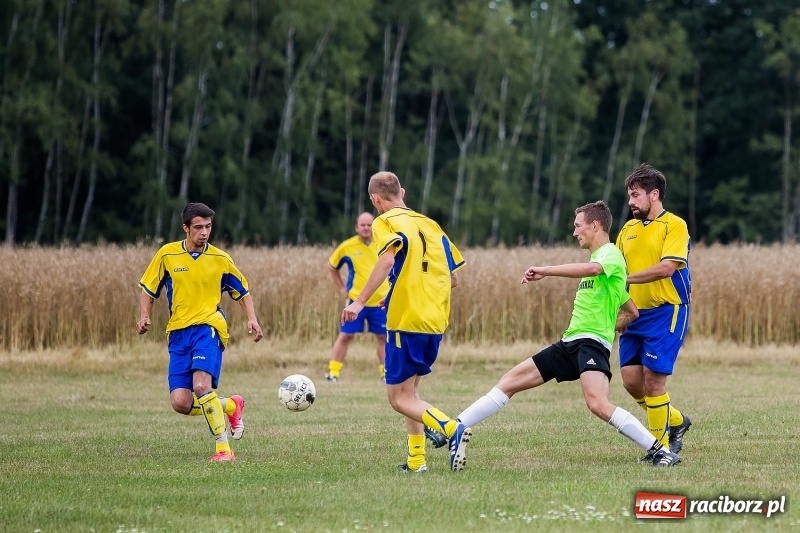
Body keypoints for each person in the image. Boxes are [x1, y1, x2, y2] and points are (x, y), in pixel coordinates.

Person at [446, 201, 681, 468]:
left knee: (598, 404)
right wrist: (614, 321)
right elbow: (632, 310)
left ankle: (660, 451)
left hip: (591, 344)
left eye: (577, 226)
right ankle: (453, 427)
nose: (574, 232)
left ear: (595, 225)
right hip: (570, 342)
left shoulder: (611, 255)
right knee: (509, 381)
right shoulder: (601, 263)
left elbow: (595, 272)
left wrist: (545, 270)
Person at [341, 171, 469, 473]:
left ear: (375, 199)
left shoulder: (384, 222)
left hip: (406, 319)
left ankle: (451, 428)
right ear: (403, 192)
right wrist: (400, 290)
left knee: (398, 398)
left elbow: (386, 261)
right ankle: (416, 461)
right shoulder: (432, 225)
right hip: (435, 320)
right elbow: (452, 279)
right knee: (411, 396)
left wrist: (359, 302)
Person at [136, 202, 264, 462]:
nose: (204, 232)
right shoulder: (167, 255)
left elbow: (243, 292)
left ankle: (223, 449)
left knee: (202, 386)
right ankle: (231, 405)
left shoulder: (220, 258)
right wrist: (145, 316)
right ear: (185, 228)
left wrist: (252, 319)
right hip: (178, 334)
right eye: (198, 227)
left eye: (208, 226)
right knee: (181, 403)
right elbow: (148, 290)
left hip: (209, 328)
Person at [615, 163, 692, 459]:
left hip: (667, 311)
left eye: (636, 195)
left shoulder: (675, 225)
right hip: (635, 313)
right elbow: (616, 269)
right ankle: (676, 421)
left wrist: (626, 279)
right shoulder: (628, 229)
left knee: (654, 381)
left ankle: (658, 450)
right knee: (632, 383)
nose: (631, 202)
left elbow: (666, 268)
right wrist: (619, 307)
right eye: (629, 196)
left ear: (654, 194)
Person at [325, 212, 390, 382]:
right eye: (363, 225)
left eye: (370, 224)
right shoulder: (347, 246)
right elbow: (332, 266)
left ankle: (385, 373)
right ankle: (333, 372)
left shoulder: (383, 243)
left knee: (383, 337)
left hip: (381, 301)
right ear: (357, 227)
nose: (367, 228)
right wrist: (341, 287)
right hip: (355, 300)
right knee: (346, 335)